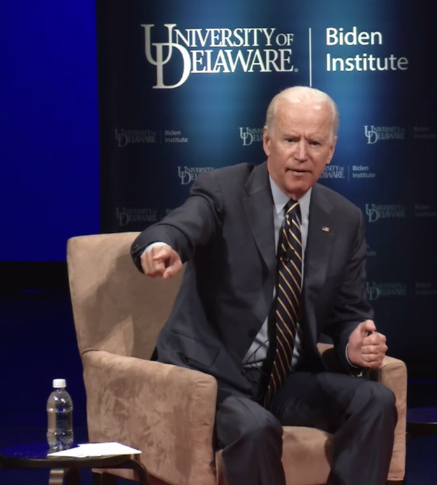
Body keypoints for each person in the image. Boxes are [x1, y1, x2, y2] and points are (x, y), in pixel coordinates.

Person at [130, 86, 396, 485]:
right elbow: (183, 224)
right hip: (210, 379)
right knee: (255, 427)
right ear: (267, 141)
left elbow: (348, 314)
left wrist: (352, 344)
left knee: (376, 400)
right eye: (290, 139)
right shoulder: (224, 190)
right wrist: (162, 244)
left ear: (331, 151)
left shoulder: (344, 219)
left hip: (284, 379)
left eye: (315, 142)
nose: (301, 153)